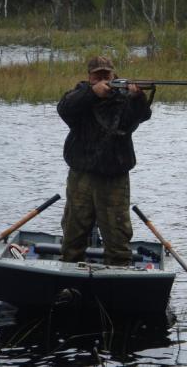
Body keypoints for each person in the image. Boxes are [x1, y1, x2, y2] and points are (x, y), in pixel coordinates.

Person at [57, 56, 153, 266]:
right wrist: (92, 94)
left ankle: (117, 278)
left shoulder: (124, 97)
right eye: (97, 75)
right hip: (81, 176)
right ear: (89, 77)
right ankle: (69, 276)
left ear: (113, 74)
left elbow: (142, 116)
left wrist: (137, 97)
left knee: (117, 236)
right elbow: (64, 109)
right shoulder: (80, 94)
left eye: (106, 75)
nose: (102, 79)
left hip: (114, 177)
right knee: (73, 233)